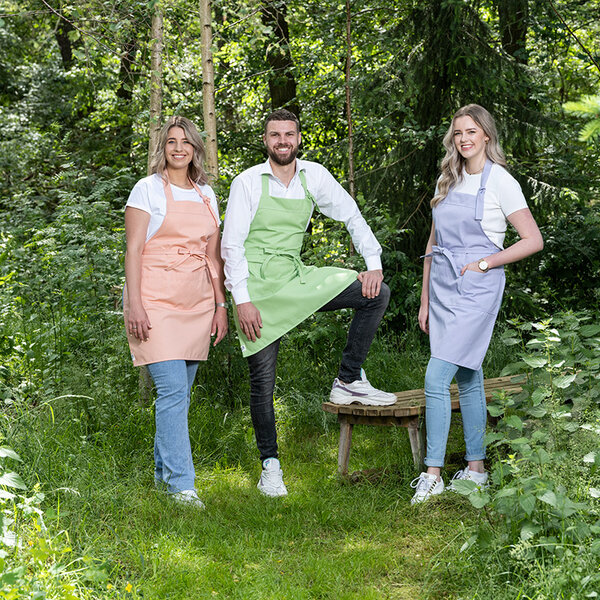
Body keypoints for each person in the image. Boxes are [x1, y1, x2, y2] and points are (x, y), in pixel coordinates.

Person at [221, 109, 396, 497]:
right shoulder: (248, 182)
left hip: (295, 277)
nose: (282, 141)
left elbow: (350, 213)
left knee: (375, 293)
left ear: (299, 138)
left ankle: (348, 379)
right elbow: (230, 245)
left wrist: (373, 265)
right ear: (265, 140)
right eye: (274, 135)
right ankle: (271, 468)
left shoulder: (313, 175)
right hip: (259, 290)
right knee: (262, 384)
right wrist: (242, 301)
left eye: (289, 134)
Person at [410, 104, 543, 504]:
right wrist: (424, 300)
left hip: (478, 286)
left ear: (486, 135)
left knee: (436, 379)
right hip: (444, 287)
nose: (464, 139)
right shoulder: (446, 180)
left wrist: (484, 262)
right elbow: (433, 245)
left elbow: (532, 240)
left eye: (471, 131)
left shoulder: (501, 181)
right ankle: (477, 468)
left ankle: (432, 473)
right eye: (458, 133)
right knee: (468, 376)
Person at [124, 116, 228, 508]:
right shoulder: (147, 189)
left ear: (195, 149)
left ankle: (163, 481)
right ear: (162, 149)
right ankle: (184, 486)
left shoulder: (206, 195)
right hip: (153, 299)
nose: (178, 148)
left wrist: (220, 306)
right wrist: (134, 303)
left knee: (179, 396)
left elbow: (213, 258)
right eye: (171, 142)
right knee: (170, 391)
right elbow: (133, 250)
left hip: (196, 302)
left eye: (185, 142)